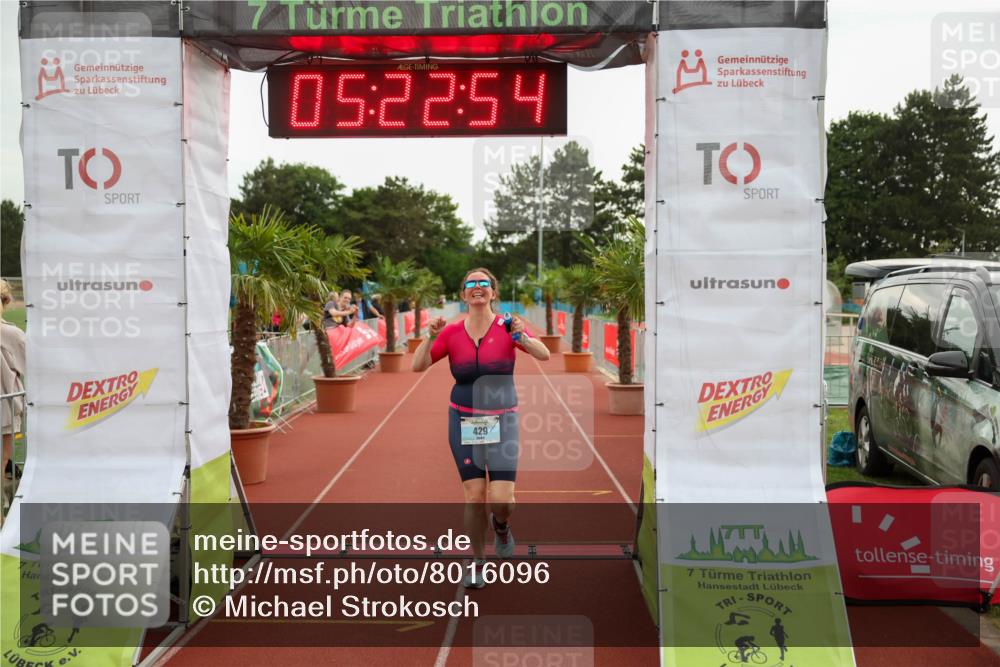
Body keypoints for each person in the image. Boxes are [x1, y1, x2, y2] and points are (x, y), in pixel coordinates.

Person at [411, 268, 550, 588]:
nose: (477, 288)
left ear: (493, 292)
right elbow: (418, 365)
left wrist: (522, 337)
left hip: (503, 419)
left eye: (483, 283)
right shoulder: (450, 334)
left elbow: (544, 354)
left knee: (503, 500)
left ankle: (500, 525)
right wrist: (429, 336)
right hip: (463, 420)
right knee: (474, 496)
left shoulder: (507, 326)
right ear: (463, 295)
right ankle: (476, 560)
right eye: (470, 284)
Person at [1, 280, 26, 476]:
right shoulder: (12, 334)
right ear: (7, 300)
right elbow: (33, 367)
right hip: (5, 410)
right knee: (3, 460)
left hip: (6, 409)